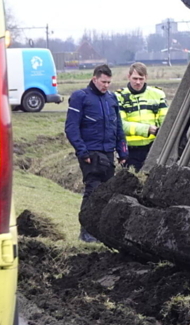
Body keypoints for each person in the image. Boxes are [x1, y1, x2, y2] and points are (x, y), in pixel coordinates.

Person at [64, 64, 128, 242]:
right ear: (94, 79)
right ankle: (86, 233)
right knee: (93, 190)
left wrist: (123, 152)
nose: (106, 85)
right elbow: (71, 127)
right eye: (103, 82)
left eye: (108, 82)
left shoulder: (111, 99)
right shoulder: (81, 97)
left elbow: (118, 127)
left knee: (107, 191)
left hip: (108, 153)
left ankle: (100, 232)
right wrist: (82, 152)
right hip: (90, 153)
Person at [115, 62, 168, 171]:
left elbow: (165, 121)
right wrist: (147, 129)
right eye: (135, 78)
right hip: (130, 150)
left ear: (146, 78)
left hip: (153, 148)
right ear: (128, 77)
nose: (138, 82)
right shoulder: (119, 97)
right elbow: (121, 125)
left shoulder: (158, 94)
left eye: (141, 78)